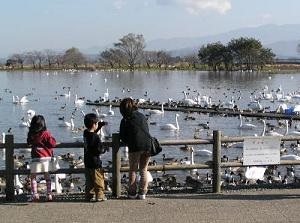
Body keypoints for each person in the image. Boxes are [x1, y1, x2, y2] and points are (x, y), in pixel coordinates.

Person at [119, 97, 151, 200]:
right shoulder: (142, 116)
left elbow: (123, 137)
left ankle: (132, 193)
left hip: (135, 147)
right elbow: (146, 130)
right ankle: (142, 193)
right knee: (143, 169)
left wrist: (127, 141)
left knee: (133, 170)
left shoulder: (125, 120)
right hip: (147, 145)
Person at [27, 115, 56, 202]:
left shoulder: (31, 134)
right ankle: (49, 194)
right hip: (46, 158)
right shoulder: (46, 133)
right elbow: (52, 144)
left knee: (33, 177)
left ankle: (35, 194)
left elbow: (28, 143)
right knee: (47, 176)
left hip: (36, 158)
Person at [83, 113, 108, 202]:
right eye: (96, 123)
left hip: (87, 162)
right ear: (94, 125)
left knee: (89, 181)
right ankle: (100, 195)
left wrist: (99, 125)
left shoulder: (85, 134)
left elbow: (91, 132)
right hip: (95, 163)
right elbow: (99, 150)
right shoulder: (96, 137)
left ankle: (88, 196)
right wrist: (104, 149)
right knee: (99, 180)